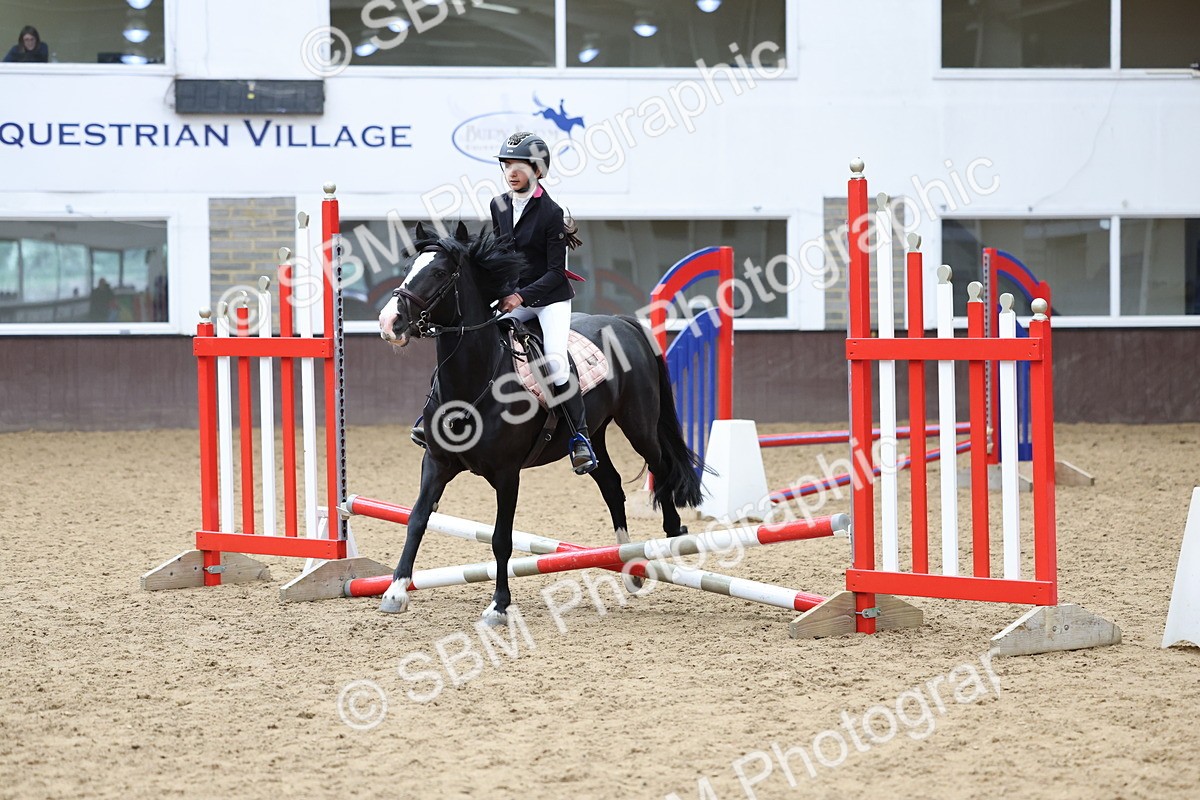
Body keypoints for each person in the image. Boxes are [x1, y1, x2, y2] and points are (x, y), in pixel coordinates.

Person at [489, 131, 595, 474]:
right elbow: (501, 255)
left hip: (549, 300)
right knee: (477, 340)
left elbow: (555, 273)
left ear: (538, 170)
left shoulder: (551, 212)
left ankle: (580, 439)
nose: (511, 171)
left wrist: (519, 296)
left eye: (518, 165)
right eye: (506, 164)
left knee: (555, 363)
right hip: (513, 296)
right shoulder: (498, 204)